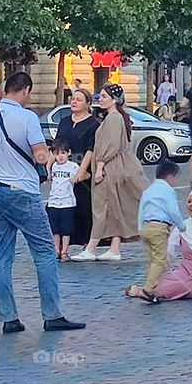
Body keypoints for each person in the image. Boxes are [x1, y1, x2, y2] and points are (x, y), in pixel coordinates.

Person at [0, 72, 85, 333]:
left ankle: (9, 319)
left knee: (2, 255)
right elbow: (40, 154)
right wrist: (51, 159)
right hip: (22, 192)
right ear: (25, 91)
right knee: (44, 251)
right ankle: (53, 314)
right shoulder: (28, 117)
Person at [73, 84, 149, 262]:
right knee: (113, 208)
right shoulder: (114, 117)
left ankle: (91, 248)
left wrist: (99, 167)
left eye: (105, 96)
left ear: (114, 100)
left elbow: (111, 145)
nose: (101, 99)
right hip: (113, 168)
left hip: (109, 169)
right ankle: (114, 249)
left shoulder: (114, 118)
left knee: (101, 208)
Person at [124, 160, 187, 303]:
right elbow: (173, 210)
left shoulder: (148, 190)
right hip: (159, 227)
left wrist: (140, 228)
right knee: (160, 260)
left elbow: (141, 209)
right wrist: (181, 225)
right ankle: (147, 291)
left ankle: (153, 289)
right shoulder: (168, 190)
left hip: (146, 228)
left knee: (152, 260)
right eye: (175, 178)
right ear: (170, 176)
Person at [54, 89, 99, 248]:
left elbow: (90, 149)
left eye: (79, 100)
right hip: (63, 170)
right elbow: (57, 144)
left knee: (83, 206)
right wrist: (50, 166)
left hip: (83, 170)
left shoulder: (93, 124)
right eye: (73, 99)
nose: (74, 102)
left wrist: (81, 172)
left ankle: (86, 242)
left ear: (88, 104)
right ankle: (63, 243)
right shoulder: (64, 121)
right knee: (62, 206)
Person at [45, 139, 79, 261]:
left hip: (67, 202)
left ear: (68, 153)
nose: (60, 156)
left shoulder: (73, 166)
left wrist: (76, 178)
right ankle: (56, 250)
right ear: (53, 155)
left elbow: (84, 175)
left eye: (63, 153)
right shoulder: (54, 166)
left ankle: (64, 250)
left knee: (66, 230)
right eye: (57, 153)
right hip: (54, 202)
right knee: (55, 229)